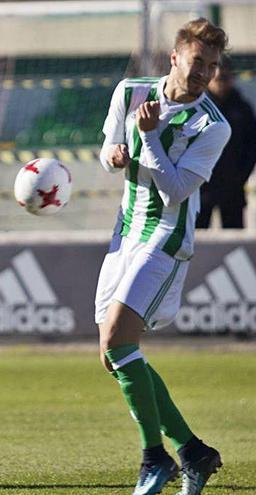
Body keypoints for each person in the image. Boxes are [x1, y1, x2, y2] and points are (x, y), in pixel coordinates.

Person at [95, 18, 230, 495]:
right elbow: (109, 146)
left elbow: (175, 191)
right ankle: (193, 452)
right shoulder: (130, 90)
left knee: (116, 340)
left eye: (212, 68)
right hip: (125, 233)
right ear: (174, 58)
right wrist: (113, 154)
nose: (204, 76)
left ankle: (155, 459)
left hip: (167, 237)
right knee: (116, 357)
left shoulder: (213, 125)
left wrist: (148, 137)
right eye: (198, 64)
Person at [196, 56, 256, 229]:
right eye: (217, 78)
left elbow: (251, 147)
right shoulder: (199, 108)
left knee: (235, 248)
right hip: (201, 187)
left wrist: (239, 177)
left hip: (233, 189)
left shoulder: (242, 109)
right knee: (195, 240)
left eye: (225, 78)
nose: (221, 83)